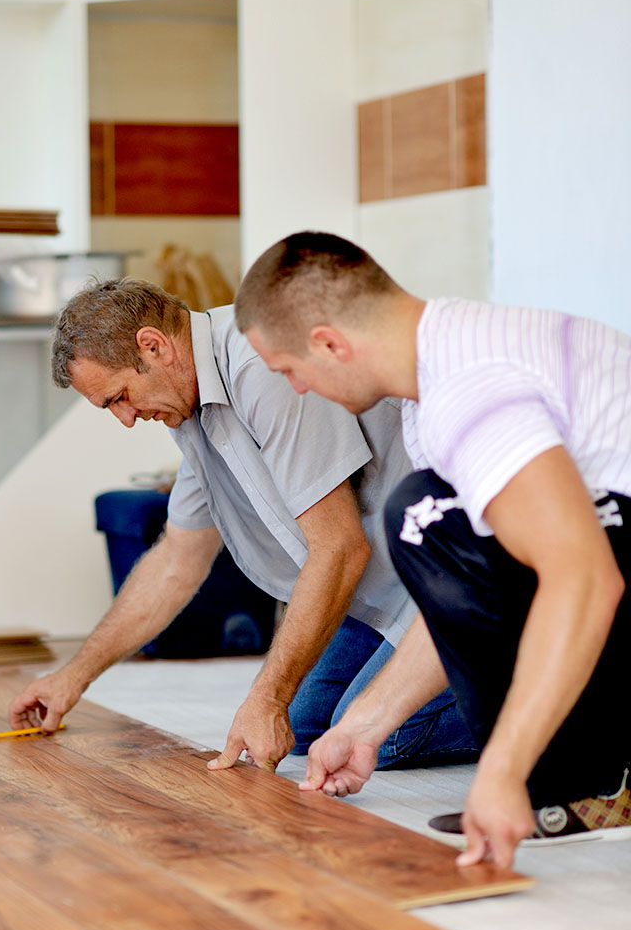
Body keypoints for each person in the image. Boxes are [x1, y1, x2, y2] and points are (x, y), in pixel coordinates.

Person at [235, 230, 631, 868]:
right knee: (429, 514)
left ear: (329, 344)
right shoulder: (445, 372)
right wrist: (365, 724)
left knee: (419, 514)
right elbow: (469, 589)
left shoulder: (469, 388)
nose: (298, 390)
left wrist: (501, 771)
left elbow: (585, 578)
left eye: (289, 372)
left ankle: (585, 785)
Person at [8, 277, 477, 773]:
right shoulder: (192, 413)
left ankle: (551, 687)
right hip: (386, 594)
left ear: (153, 346)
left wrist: (266, 699)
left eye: (119, 396)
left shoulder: (261, 367)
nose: (125, 418)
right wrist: (72, 677)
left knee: (376, 736)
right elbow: (176, 561)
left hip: (452, 585)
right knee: (309, 725)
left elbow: (339, 549)